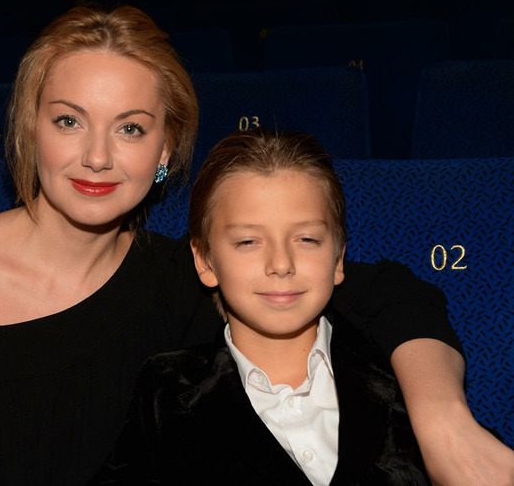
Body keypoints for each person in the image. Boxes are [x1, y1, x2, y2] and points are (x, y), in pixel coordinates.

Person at [0, 3, 514, 486]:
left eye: (131, 128)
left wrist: (442, 421)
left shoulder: (183, 281)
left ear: (166, 150)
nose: (97, 156)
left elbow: (389, 294)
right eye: (68, 120)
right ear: (28, 130)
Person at [92, 129, 432, 484]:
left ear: (337, 258)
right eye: (248, 241)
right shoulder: (165, 394)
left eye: (307, 239)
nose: (281, 263)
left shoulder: (401, 371)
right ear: (205, 261)